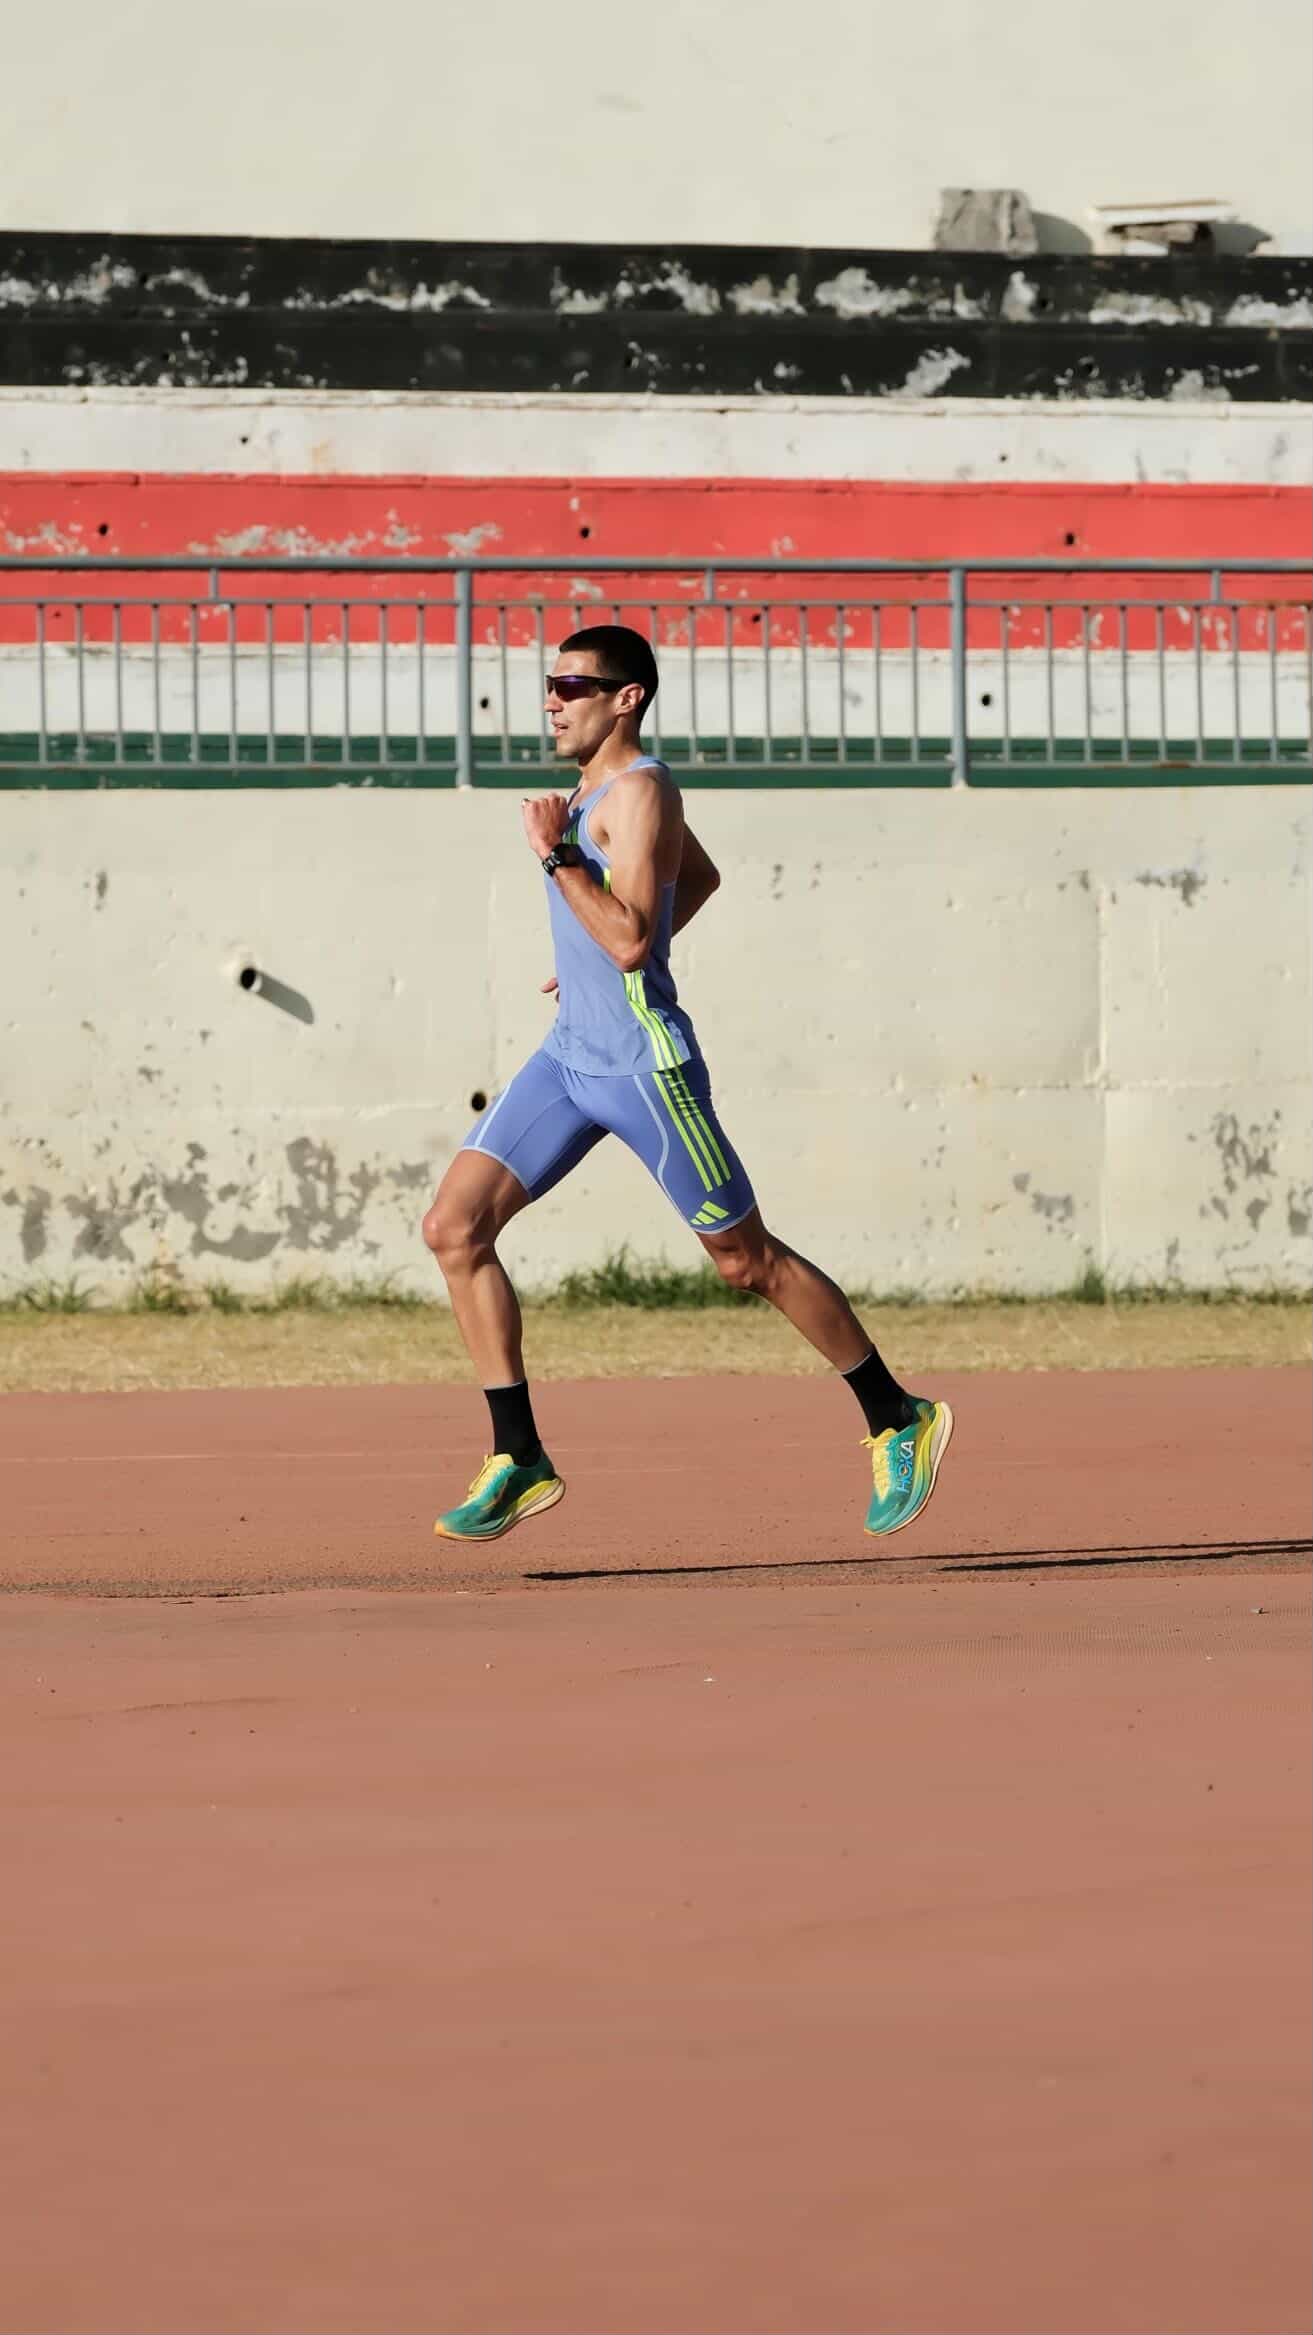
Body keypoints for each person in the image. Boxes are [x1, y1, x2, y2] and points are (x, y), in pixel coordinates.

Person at [422, 624, 953, 1543]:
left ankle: (894, 1414)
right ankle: (518, 1456)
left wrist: (560, 862)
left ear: (626, 697)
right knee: (454, 1228)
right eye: (547, 683)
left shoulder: (640, 789)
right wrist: (590, 947)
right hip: (570, 1056)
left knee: (747, 1263)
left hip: (644, 1066)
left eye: (571, 685)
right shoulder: (595, 788)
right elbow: (689, 883)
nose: (551, 698)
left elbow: (631, 938)